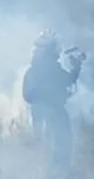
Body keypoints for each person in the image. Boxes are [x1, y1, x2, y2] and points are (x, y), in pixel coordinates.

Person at [22, 32, 83, 168]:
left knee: (40, 141)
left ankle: (38, 169)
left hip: (37, 110)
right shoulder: (51, 67)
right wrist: (76, 67)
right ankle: (59, 171)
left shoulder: (32, 69)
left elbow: (27, 95)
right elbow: (67, 80)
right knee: (62, 141)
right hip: (54, 110)